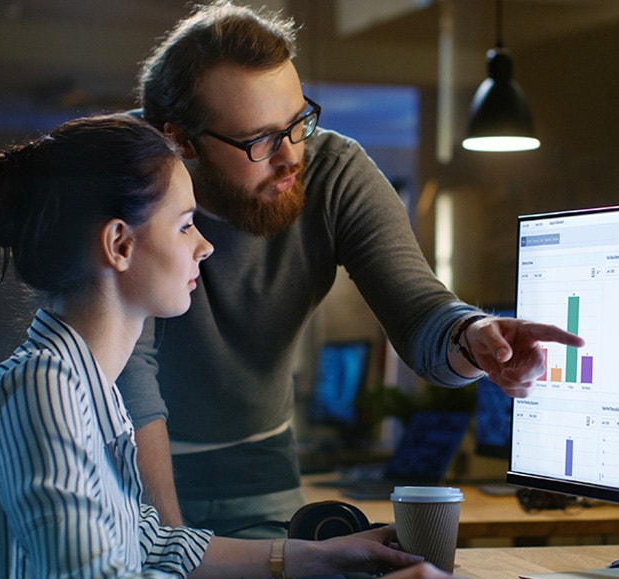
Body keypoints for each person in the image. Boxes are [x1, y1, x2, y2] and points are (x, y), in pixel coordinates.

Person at [0, 114, 515, 579]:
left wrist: (331, 554)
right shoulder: (40, 389)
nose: (203, 246)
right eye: (184, 226)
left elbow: (152, 547)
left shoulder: (82, 387)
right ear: (120, 244)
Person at [118, 0, 584, 534]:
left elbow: (417, 310)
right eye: (260, 139)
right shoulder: (119, 175)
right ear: (179, 140)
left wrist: (472, 334)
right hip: (125, 460)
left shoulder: (336, 173)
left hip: (258, 464)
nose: (292, 155)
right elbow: (131, 379)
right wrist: (172, 546)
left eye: (297, 123)